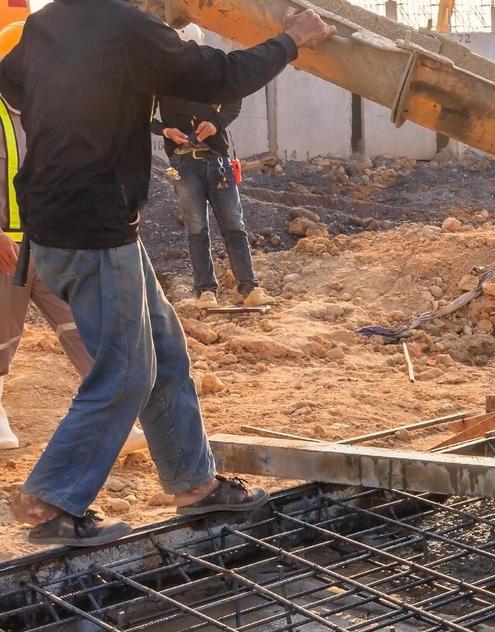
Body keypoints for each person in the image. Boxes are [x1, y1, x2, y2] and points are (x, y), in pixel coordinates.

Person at [0, 0, 333, 547]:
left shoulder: (46, 23)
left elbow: (14, 88)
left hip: (54, 223)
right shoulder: (130, 28)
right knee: (127, 371)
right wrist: (292, 39)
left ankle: (194, 483)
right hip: (94, 227)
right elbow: (222, 76)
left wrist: (113, 94)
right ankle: (51, 498)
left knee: (163, 347)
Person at [0, 19, 146, 454]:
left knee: (82, 326)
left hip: (51, 237)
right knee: (3, 331)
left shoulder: (49, 106)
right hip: (5, 245)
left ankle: (113, 418)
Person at [153, 23, 269, 308]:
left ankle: (249, 288)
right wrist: (166, 131)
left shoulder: (212, 72)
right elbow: (141, 115)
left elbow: (234, 101)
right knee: (196, 228)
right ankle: (205, 291)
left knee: (233, 225)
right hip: (183, 163)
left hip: (216, 161)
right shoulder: (159, 78)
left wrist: (215, 124)